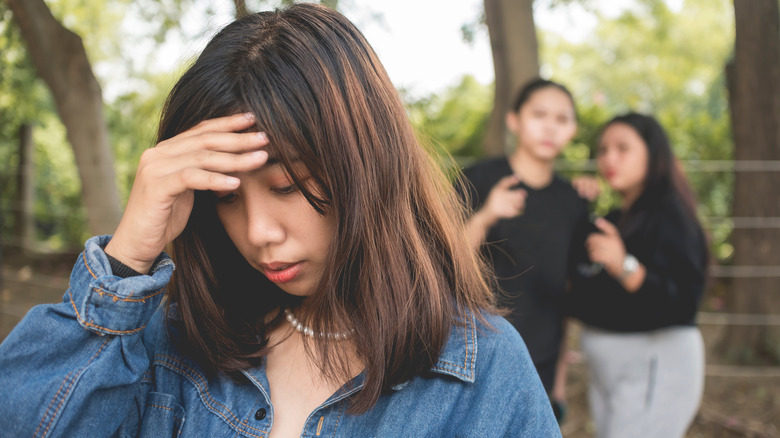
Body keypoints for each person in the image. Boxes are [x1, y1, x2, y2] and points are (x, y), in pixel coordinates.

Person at [0, 4, 561, 437]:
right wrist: (124, 260)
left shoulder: (482, 371)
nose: (258, 232)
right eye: (225, 197)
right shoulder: (168, 341)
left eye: (287, 187)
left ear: (363, 167)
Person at [567, 112, 708, 438]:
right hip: (612, 374)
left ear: (653, 153)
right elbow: (579, 283)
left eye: (622, 148)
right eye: (602, 150)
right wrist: (576, 209)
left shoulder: (671, 215)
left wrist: (625, 266)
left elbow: (685, 302)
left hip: (655, 370)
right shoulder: (617, 217)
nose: (608, 158)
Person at [457, 78, 590, 419]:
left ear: (573, 129)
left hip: (539, 366)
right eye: (539, 114)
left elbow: (567, 294)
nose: (550, 127)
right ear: (514, 120)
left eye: (562, 119)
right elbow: (441, 262)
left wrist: (558, 382)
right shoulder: (477, 179)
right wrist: (486, 216)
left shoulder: (572, 202)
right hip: (471, 357)